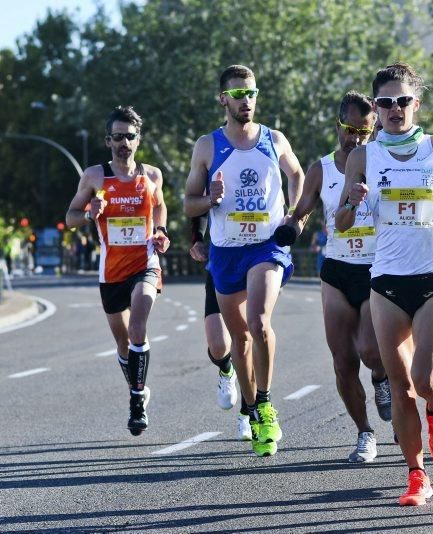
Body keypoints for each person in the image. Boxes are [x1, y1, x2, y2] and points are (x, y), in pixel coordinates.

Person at [336, 63, 433, 506]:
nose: (394, 109)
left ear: (416, 104)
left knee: (424, 379)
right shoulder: (364, 156)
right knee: (399, 384)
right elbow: (342, 224)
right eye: (385, 103)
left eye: (403, 101)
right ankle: (416, 475)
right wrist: (352, 200)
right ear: (377, 109)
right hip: (385, 279)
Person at [183, 64, 304, 457]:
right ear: (223, 99)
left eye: (251, 93)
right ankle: (251, 408)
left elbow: (298, 174)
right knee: (240, 339)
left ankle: (266, 402)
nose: (246, 101)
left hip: (265, 247)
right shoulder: (207, 145)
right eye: (238, 95)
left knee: (259, 320)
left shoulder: (274, 139)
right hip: (225, 250)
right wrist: (210, 199)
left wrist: (294, 214)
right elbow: (189, 203)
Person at [280, 91, 392, 463]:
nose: (355, 139)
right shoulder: (322, 169)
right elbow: (304, 211)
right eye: (349, 129)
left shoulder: (383, 162)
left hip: (376, 269)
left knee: (371, 351)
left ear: (373, 127)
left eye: (363, 131)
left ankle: (381, 378)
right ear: (338, 125)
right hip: (338, 269)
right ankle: (365, 433)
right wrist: (290, 225)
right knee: (343, 361)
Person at [65, 106, 170, 435]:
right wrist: (88, 214)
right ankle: (137, 385)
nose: (124, 142)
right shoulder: (95, 176)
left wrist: (162, 232)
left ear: (139, 139)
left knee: (138, 326)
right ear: (107, 140)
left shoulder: (151, 175)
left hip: (145, 264)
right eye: (117, 137)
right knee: (124, 344)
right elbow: (70, 217)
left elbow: (161, 205)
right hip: (111, 271)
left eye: (130, 136)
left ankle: (137, 401)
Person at [189, 214, 252, 441]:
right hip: (222, 259)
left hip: (257, 258)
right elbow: (199, 204)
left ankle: (248, 414)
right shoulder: (214, 176)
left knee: (248, 339)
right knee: (218, 346)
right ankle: (227, 369)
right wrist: (197, 239)